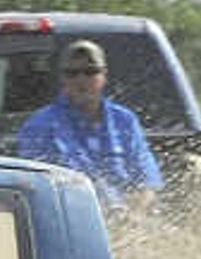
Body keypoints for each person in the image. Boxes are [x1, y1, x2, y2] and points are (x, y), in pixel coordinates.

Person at [14, 38, 161, 217]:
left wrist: (134, 215)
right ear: (62, 78)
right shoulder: (39, 126)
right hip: (73, 225)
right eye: (72, 73)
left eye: (90, 72)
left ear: (104, 75)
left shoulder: (125, 121)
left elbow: (146, 180)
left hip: (131, 225)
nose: (81, 80)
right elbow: (35, 191)